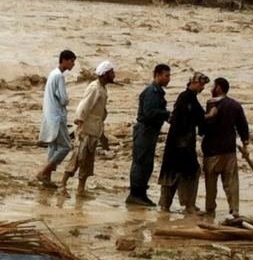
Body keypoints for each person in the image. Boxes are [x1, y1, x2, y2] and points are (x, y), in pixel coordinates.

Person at [158, 72, 212, 213]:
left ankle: (165, 205)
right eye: (201, 85)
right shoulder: (188, 99)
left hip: (175, 144)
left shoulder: (186, 98)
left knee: (171, 172)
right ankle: (189, 205)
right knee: (191, 173)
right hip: (183, 144)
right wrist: (211, 116)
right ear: (193, 83)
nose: (202, 88)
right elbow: (199, 118)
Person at [60, 61, 115, 197]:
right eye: (111, 73)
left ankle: (80, 189)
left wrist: (102, 135)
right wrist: (80, 125)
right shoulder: (94, 88)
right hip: (85, 131)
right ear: (104, 74)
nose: (114, 75)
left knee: (87, 162)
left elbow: (100, 114)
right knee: (77, 159)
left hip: (94, 131)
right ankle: (62, 185)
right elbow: (83, 107)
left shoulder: (102, 88)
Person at [201, 77, 249, 219]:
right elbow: (243, 126)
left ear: (219, 88)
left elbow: (204, 128)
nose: (211, 89)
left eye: (213, 86)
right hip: (229, 149)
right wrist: (246, 145)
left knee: (211, 182)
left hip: (212, 150)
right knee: (231, 182)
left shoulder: (211, 104)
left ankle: (210, 209)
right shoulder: (235, 105)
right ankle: (234, 209)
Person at [126, 64, 171, 207]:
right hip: (145, 130)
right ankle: (135, 194)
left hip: (150, 131)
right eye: (166, 75)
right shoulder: (152, 92)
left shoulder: (158, 92)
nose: (168, 79)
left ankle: (141, 194)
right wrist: (166, 114)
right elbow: (149, 113)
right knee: (140, 163)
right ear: (157, 75)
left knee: (147, 164)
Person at [37, 50, 77, 188]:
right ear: (64, 60)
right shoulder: (59, 76)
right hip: (57, 117)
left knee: (53, 146)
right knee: (66, 146)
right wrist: (67, 101)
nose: (73, 64)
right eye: (72, 61)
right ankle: (44, 172)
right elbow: (64, 99)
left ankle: (46, 178)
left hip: (49, 115)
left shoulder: (52, 74)